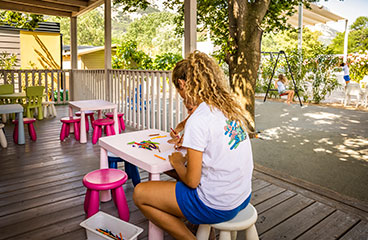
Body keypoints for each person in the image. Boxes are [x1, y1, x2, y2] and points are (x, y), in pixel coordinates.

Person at [133, 51, 254, 240]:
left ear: (182, 84)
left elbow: (192, 181)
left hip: (217, 204)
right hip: (242, 195)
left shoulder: (199, 119)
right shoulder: (228, 107)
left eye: (178, 89)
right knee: (173, 173)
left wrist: (178, 162)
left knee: (140, 194)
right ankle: (199, 226)